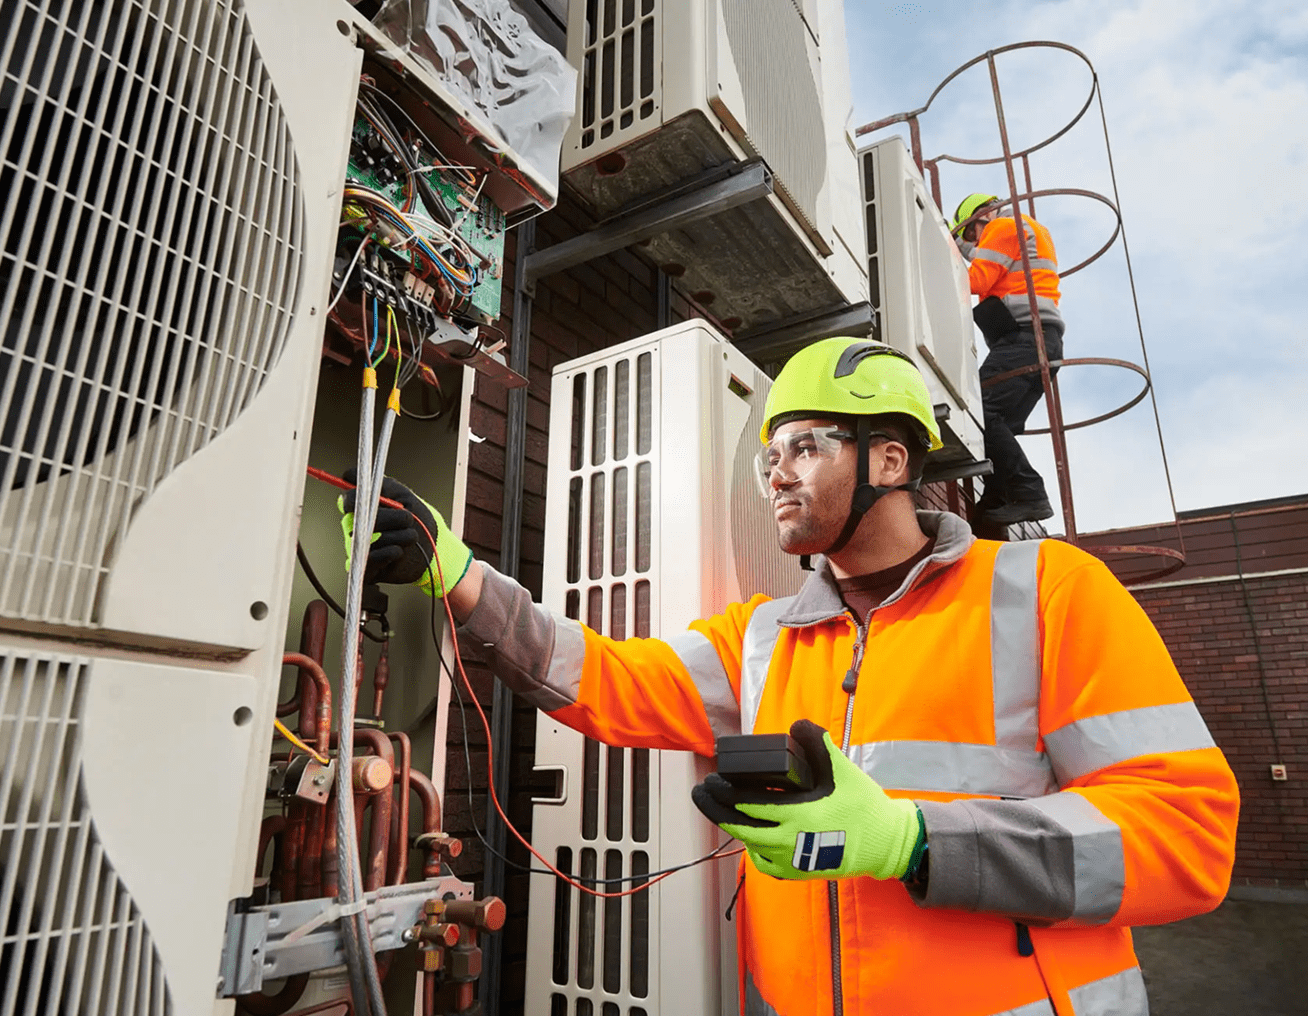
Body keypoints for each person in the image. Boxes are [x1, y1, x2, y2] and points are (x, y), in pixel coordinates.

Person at [342, 337, 1239, 1016]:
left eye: (804, 447)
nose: (775, 475)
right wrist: (460, 578)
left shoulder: (1046, 592)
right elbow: (610, 679)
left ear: (891, 460)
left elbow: (1185, 834)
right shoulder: (766, 635)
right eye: (770, 456)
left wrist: (915, 840)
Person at [953, 193, 1064, 526]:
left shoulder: (1003, 225)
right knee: (999, 424)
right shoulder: (1023, 229)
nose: (974, 242)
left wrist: (945, 249)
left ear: (981, 217)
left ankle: (1029, 491)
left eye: (970, 232)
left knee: (980, 410)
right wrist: (959, 245)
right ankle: (997, 496)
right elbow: (985, 258)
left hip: (1023, 340)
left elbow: (976, 280)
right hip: (1041, 341)